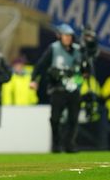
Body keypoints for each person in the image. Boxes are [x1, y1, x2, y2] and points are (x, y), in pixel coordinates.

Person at [30, 24, 83, 153]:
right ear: (60, 36)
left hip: (74, 88)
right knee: (55, 118)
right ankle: (56, 144)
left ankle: (70, 144)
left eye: (70, 36)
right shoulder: (54, 48)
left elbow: (85, 67)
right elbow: (41, 64)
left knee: (73, 118)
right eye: (65, 35)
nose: (68, 38)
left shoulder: (78, 50)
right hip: (57, 88)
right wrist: (33, 79)